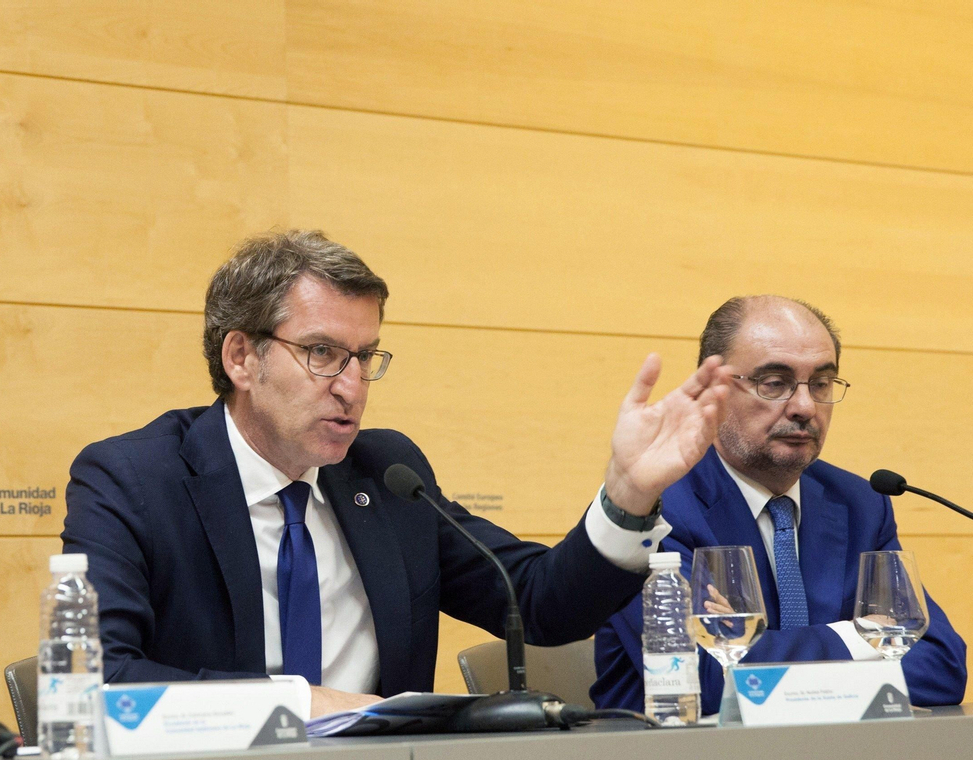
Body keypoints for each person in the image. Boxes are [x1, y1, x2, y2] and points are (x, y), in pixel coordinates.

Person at [61, 230, 732, 716]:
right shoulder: (133, 480)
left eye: (365, 357)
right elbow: (104, 678)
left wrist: (629, 492)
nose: (352, 386)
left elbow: (540, 603)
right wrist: (302, 703)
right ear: (242, 358)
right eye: (323, 353)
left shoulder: (386, 475)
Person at [592, 296, 967, 712]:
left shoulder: (861, 504)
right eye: (774, 383)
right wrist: (858, 638)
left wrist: (754, 646)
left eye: (821, 383)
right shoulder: (650, 509)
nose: (805, 407)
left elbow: (941, 668)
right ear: (712, 392)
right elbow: (708, 683)